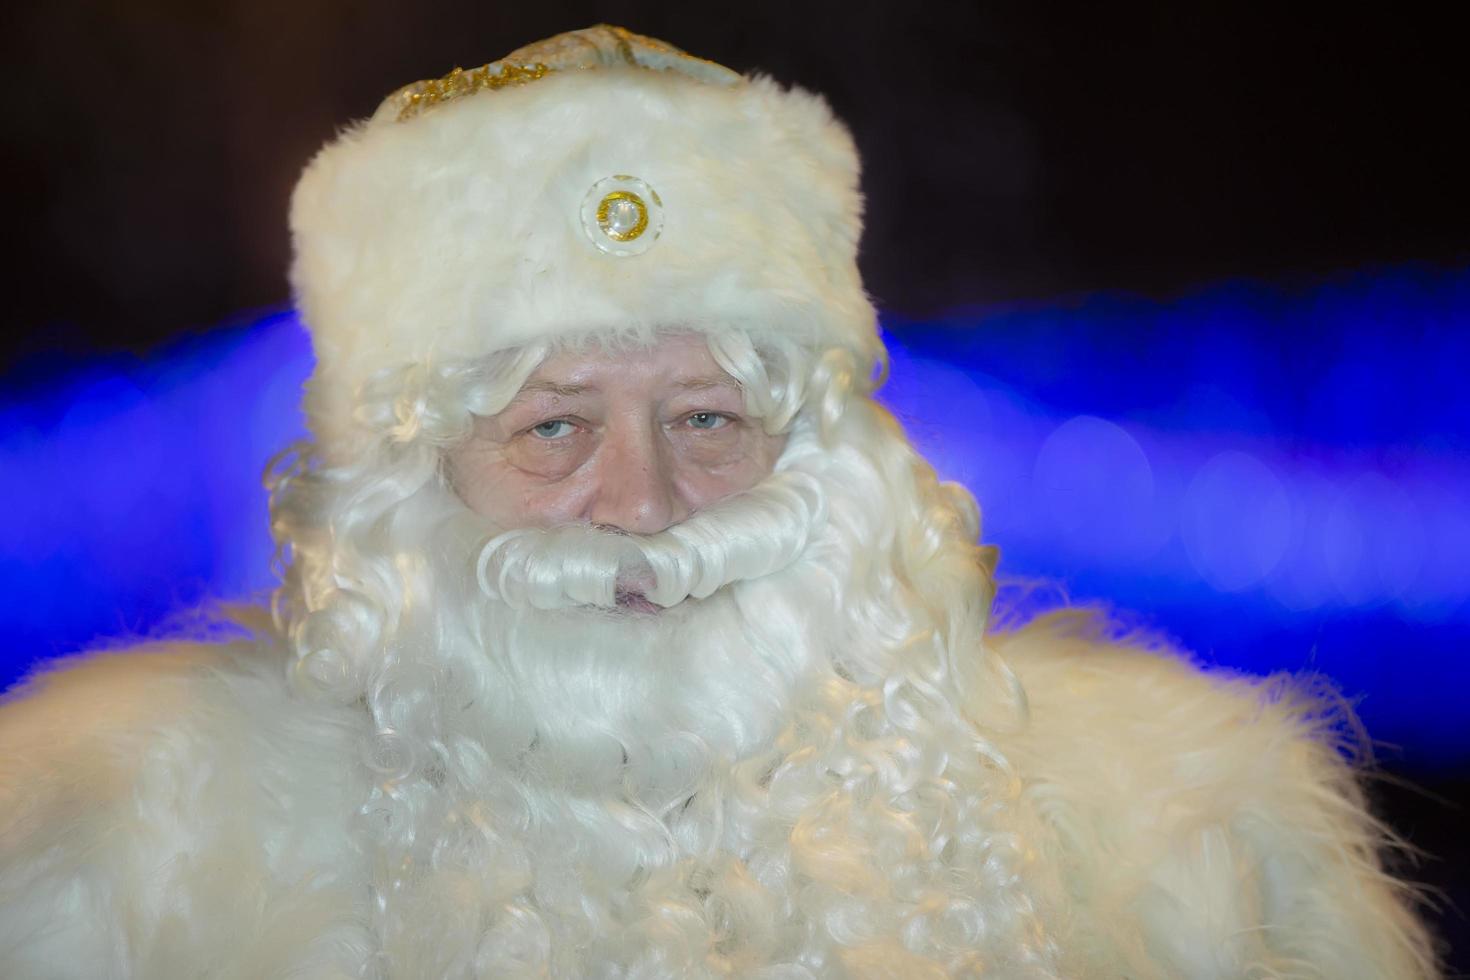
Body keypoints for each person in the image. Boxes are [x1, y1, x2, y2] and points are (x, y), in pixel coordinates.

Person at [0, 25, 1437, 978]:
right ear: (404, 486)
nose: (644, 504)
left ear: (828, 461)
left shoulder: (1187, 848)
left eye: (707, 420)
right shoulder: (113, 863)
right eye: (553, 426)